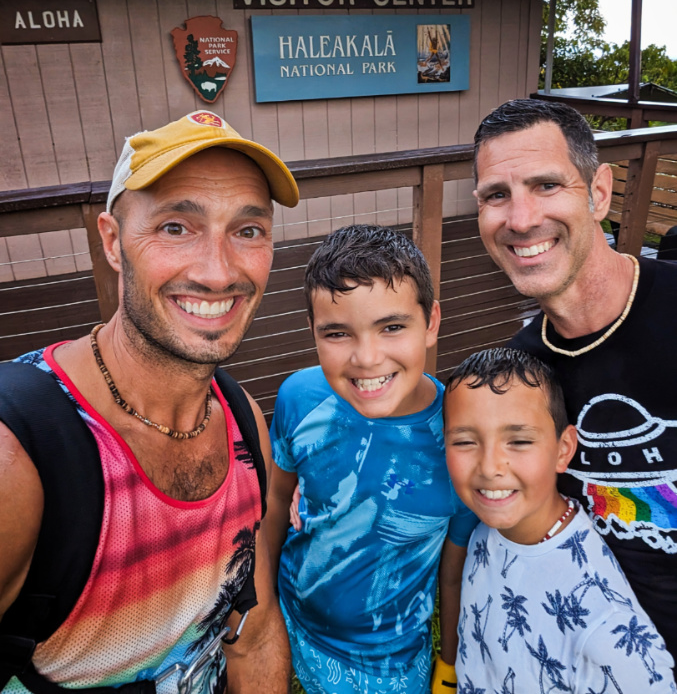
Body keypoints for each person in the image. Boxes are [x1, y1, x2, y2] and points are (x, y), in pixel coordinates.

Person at [0, 110, 298, 694]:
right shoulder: (20, 456)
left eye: (248, 230)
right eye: (174, 227)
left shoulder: (241, 422)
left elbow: (254, 632)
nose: (218, 272)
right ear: (112, 242)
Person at [473, 97, 677, 662]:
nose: (520, 219)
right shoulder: (521, 376)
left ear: (600, 193)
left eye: (546, 186)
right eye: (497, 195)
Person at [267, 224, 478, 694]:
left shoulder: (462, 440)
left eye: (392, 327)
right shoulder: (298, 398)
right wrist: (260, 605)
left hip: (388, 663)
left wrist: (448, 665)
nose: (367, 358)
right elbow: (276, 502)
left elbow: (453, 570)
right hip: (289, 619)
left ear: (432, 322)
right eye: (338, 333)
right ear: (313, 333)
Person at [444, 346, 676, 693]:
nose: (490, 468)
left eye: (519, 441)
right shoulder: (485, 530)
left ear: (564, 449)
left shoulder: (609, 629)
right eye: (464, 441)